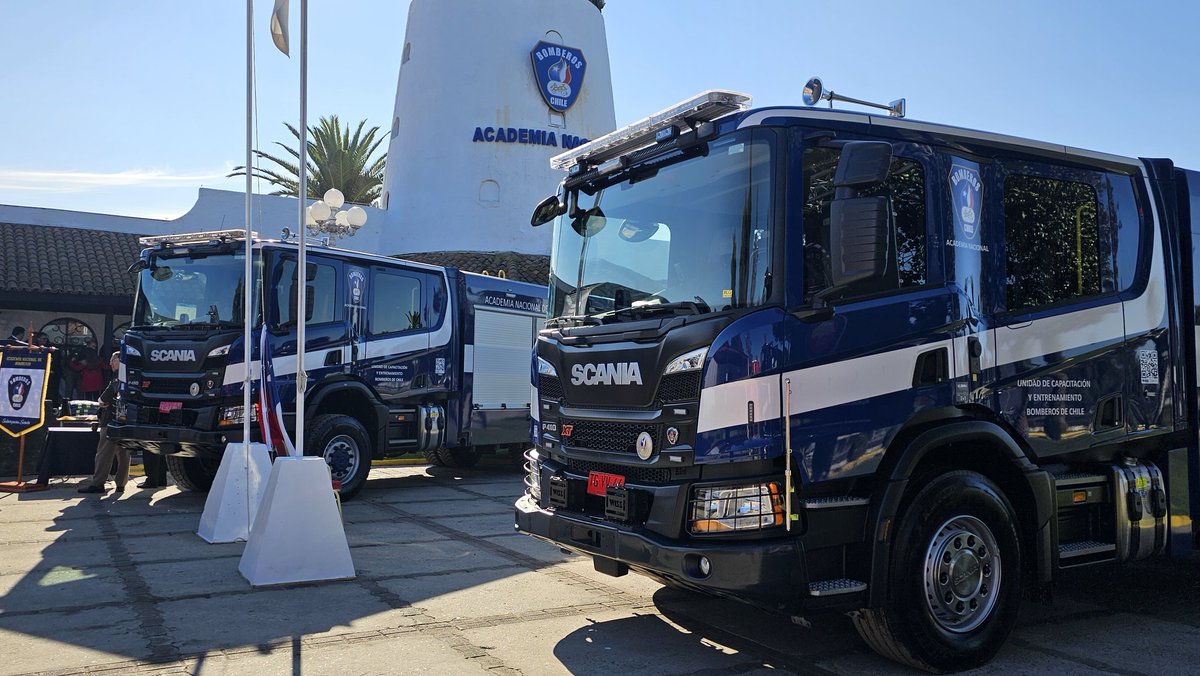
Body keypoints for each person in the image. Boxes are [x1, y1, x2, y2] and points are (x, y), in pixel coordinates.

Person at [78, 352, 129, 494]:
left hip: (111, 421)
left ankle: (98, 483)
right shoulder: (131, 377)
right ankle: (121, 484)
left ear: (121, 361)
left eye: (114, 360)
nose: (111, 363)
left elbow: (102, 399)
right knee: (123, 453)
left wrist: (102, 402)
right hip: (126, 422)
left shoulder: (117, 378)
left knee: (103, 453)